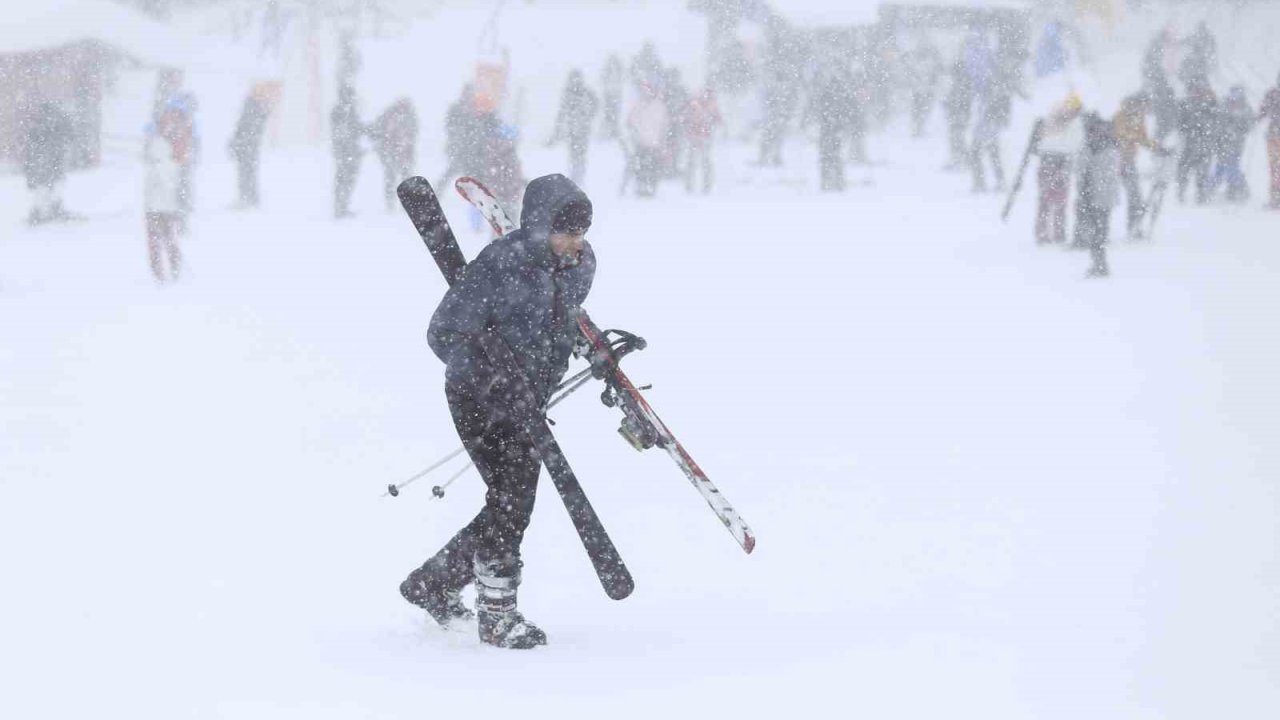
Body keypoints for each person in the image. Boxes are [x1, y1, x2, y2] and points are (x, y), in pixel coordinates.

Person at [400, 173, 597, 650]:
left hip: (529, 400)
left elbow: (561, 321)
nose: (575, 242)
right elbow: (443, 333)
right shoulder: (500, 265)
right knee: (513, 500)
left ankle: (435, 582)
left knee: (509, 502)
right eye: (565, 231)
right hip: (477, 398)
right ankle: (496, 615)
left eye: (581, 232)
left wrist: (592, 352)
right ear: (540, 226)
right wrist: (492, 378)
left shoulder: (581, 265)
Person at [1074, 111, 1121, 277]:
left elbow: (1084, 171)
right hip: (1095, 195)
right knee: (1097, 231)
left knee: (1097, 232)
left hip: (1097, 196)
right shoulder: (1104, 146)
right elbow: (1081, 171)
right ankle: (1099, 263)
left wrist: (1086, 189)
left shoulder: (1099, 148)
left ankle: (1100, 265)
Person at [1034, 93, 1083, 245]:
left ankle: (1049, 233)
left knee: (1052, 200)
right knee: (1054, 200)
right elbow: (1073, 145)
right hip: (1056, 160)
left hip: (1053, 161)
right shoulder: (1062, 122)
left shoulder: (1052, 119)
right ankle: (1053, 233)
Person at [1112, 92, 1162, 238]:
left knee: (1135, 197)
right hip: (1119, 161)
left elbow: (1142, 138)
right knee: (1133, 196)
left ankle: (1134, 226)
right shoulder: (1122, 116)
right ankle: (1132, 227)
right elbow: (1123, 136)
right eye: (1145, 106)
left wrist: (1158, 147)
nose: (1146, 110)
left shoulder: (1137, 116)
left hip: (1129, 161)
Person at [144, 107, 185, 283]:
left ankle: (162, 271)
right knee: (167, 238)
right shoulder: (171, 157)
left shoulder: (163, 154)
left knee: (159, 239)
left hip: (158, 206)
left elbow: (158, 183)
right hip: (164, 205)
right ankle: (170, 269)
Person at [22, 100, 76, 225]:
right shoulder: (54, 129)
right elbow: (67, 138)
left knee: (46, 186)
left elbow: (30, 152)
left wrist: (29, 169)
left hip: (44, 164)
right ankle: (48, 210)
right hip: (47, 164)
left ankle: (42, 211)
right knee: (50, 185)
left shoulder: (40, 129)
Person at [229, 83, 275, 209]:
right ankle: (249, 197)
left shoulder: (254, 106)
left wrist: (239, 140)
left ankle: (248, 198)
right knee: (247, 171)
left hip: (248, 144)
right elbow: (243, 125)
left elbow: (246, 126)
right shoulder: (257, 106)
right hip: (248, 144)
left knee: (247, 171)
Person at [368, 98, 418, 211]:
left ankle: (405, 203)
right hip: (391, 152)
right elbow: (377, 131)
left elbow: (413, 134)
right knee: (391, 178)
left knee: (403, 178)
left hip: (403, 153)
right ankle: (391, 204)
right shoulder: (389, 116)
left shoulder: (409, 117)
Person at [549, 70, 598, 185]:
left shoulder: (575, 93)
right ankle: (577, 177)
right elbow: (562, 112)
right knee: (577, 154)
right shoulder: (579, 92)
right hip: (577, 128)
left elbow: (562, 113)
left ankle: (577, 177)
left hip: (578, 128)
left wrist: (588, 116)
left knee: (577, 154)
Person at [1177, 79, 1218, 205]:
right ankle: (1181, 194)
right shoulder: (1185, 105)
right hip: (1189, 143)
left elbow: (1217, 121)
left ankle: (1201, 196)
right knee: (1183, 170)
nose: (1197, 93)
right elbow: (1180, 123)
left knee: (1202, 172)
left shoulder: (1211, 104)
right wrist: (1188, 128)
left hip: (1204, 144)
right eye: (1195, 90)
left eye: (1200, 90)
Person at [627, 82, 670, 198]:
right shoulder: (638, 105)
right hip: (641, 142)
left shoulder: (660, 106)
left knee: (653, 166)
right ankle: (641, 186)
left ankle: (651, 187)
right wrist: (635, 134)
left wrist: (662, 142)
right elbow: (631, 121)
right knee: (641, 166)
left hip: (655, 143)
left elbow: (664, 126)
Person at [1213, 86, 1255, 204]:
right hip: (1222, 142)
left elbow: (1249, 125)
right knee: (1221, 166)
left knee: (1232, 165)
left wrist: (1238, 128)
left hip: (1237, 143)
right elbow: (1218, 122)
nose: (1235, 100)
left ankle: (1235, 189)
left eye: (1238, 97)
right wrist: (1224, 131)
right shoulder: (1224, 107)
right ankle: (1214, 189)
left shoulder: (1246, 109)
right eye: (1234, 97)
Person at [331, 84, 364, 219]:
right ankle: (339, 208)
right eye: (350, 95)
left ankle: (343, 206)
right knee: (343, 179)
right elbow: (341, 132)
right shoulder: (339, 111)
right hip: (345, 151)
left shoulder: (351, 111)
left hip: (351, 151)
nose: (352, 98)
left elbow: (356, 129)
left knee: (349, 180)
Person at [683, 86, 722, 194]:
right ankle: (699, 185)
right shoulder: (707, 105)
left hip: (700, 137)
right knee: (700, 162)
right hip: (700, 137)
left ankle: (699, 185)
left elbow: (686, 118)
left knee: (699, 162)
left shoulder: (700, 104)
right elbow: (718, 119)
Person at [1260, 73, 1280, 209]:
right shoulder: (1272, 94)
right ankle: (1275, 196)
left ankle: (1275, 197)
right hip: (1273, 135)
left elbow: (1262, 111)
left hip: (1273, 135)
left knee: (1275, 167)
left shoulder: (1272, 94)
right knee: (1275, 167)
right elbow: (1263, 110)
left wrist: (1256, 119)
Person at [599, 55, 624, 140]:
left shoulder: (617, 70)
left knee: (615, 113)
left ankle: (614, 130)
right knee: (609, 113)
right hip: (610, 94)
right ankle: (611, 130)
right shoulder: (610, 71)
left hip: (615, 94)